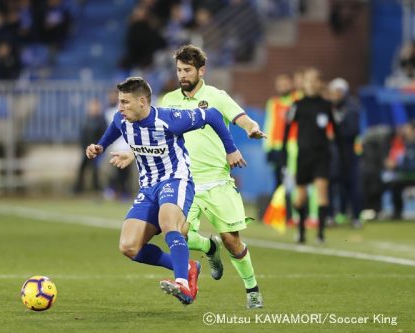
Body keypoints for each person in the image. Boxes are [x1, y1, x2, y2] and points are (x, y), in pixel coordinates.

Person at [110, 45, 266, 309]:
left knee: (231, 239)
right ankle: (207, 249)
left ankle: (252, 288)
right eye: (179, 70)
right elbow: (153, 138)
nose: (182, 75)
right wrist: (131, 154)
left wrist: (252, 128)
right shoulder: (168, 100)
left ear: (201, 71)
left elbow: (242, 118)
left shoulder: (217, 96)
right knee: (178, 232)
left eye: (187, 70)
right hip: (183, 180)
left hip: (217, 180)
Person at [86, 76, 247, 305]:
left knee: (169, 222)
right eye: (120, 102)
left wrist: (231, 149)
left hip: (176, 180)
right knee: (129, 247)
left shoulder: (170, 119)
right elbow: (114, 128)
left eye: (125, 102)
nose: (120, 107)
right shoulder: (121, 119)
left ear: (142, 101)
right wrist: (100, 146)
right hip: (148, 187)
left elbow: (211, 115)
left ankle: (183, 283)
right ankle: (188, 266)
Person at [282, 68, 339, 244]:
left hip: (322, 155)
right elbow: (287, 129)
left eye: (315, 80)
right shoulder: (297, 104)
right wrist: (283, 154)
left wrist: (338, 150)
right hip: (303, 155)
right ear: (303, 84)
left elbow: (335, 129)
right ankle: (301, 231)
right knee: (300, 197)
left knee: (322, 192)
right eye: (308, 80)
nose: (311, 84)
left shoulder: (326, 105)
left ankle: (320, 234)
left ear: (320, 83)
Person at [327, 78, 362, 228]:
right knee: (331, 184)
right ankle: (331, 215)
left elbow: (353, 131)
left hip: (347, 152)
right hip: (333, 152)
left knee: (351, 184)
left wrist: (337, 133)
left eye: (337, 92)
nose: (334, 95)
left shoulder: (351, 108)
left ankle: (355, 216)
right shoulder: (329, 108)